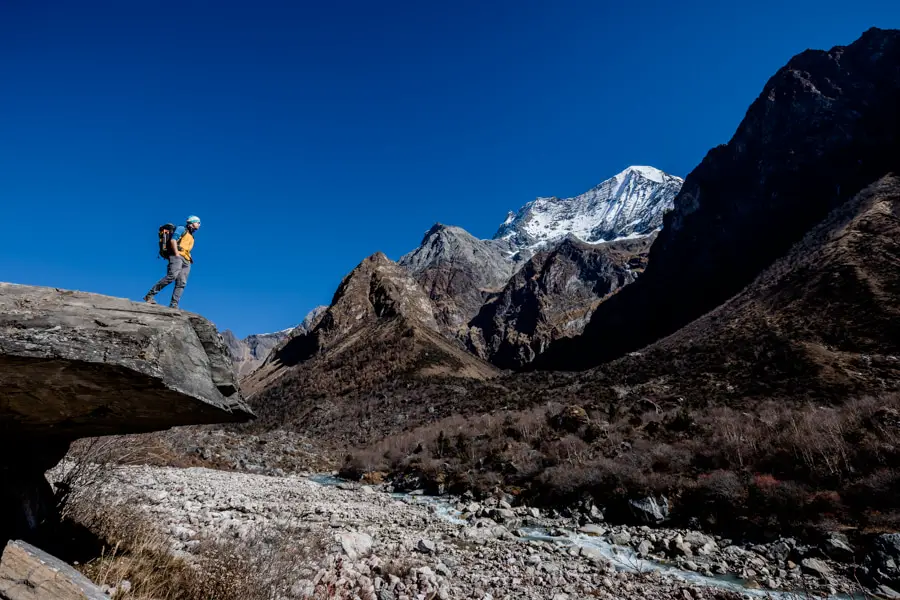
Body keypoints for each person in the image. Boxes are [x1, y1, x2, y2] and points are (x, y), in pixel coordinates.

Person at [144, 215, 201, 308]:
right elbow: (173, 240)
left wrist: (189, 258)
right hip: (177, 256)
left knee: (182, 283)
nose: (199, 225)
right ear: (192, 222)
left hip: (187, 260)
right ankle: (149, 295)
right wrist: (176, 254)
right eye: (198, 222)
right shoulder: (182, 229)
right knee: (172, 276)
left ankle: (174, 305)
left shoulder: (192, 236)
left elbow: (186, 247)